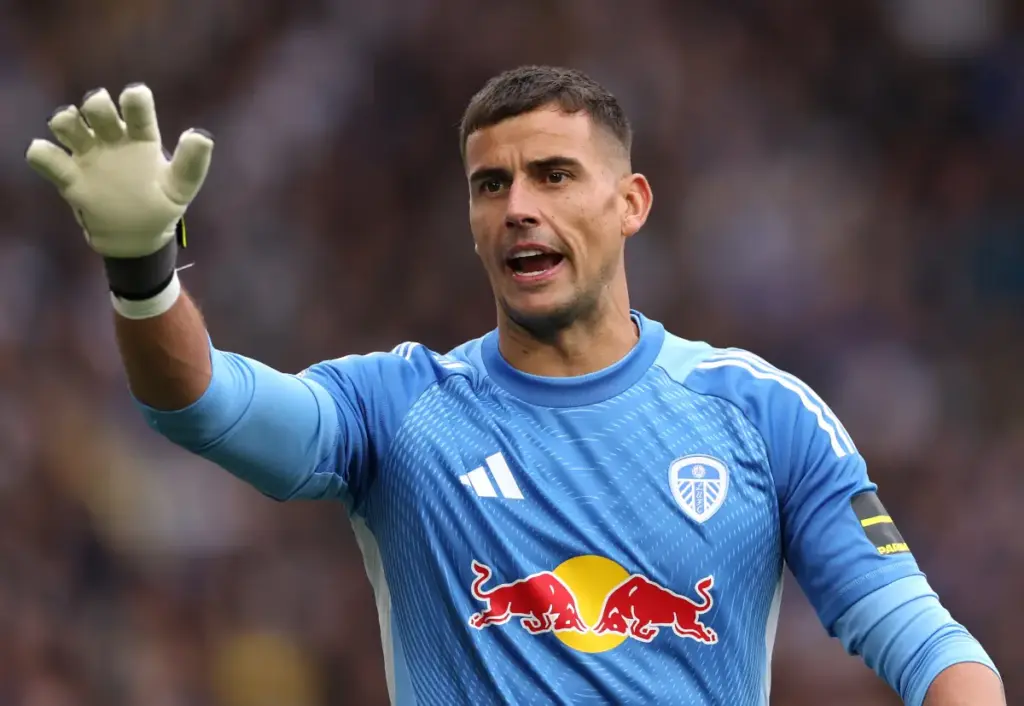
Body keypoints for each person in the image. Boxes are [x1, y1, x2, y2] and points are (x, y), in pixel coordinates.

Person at [26, 66, 1003, 706]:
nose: (518, 208)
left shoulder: (759, 412)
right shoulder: (398, 409)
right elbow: (200, 403)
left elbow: (925, 644)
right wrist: (144, 273)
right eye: (491, 185)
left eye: (551, 175)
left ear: (629, 204)